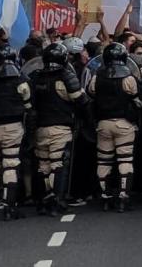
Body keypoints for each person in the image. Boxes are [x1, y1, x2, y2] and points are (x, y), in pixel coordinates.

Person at [30, 43, 89, 215]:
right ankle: (57, 200)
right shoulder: (65, 77)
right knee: (58, 164)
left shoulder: (36, 77)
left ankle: (44, 199)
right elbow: (80, 101)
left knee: (43, 165)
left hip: (41, 127)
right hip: (61, 127)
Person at [87, 43, 142, 213]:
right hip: (124, 124)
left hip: (103, 123)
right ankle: (123, 197)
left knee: (104, 161)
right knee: (125, 160)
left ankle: (106, 197)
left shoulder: (97, 76)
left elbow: (90, 93)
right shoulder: (128, 77)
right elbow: (138, 99)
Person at [0, 44, 32, 221]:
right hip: (13, 127)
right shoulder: (21, 79)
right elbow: (29, 106)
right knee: (11, 165)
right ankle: (9, 205)